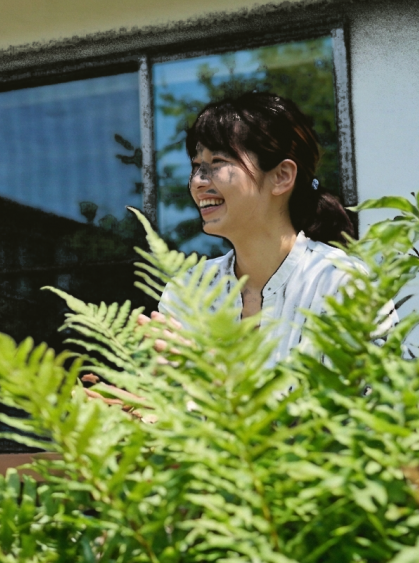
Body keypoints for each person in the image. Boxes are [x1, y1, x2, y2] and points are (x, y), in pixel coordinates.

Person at [143, 90, 366, 364]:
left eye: (217, 162)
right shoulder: (188, 290)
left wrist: (211, 367)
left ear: (281, 176)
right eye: (196, 165)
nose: (198, 181)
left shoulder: (340, 282)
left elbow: (363, 391)